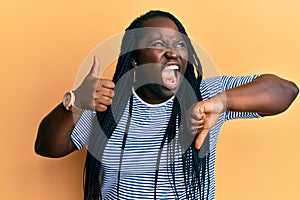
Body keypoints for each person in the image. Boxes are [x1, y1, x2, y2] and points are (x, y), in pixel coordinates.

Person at [35, 10, 298, 200]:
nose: (173, 52)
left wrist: (223, 102)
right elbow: (47, 147)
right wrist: (76, 102)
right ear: (135, 61)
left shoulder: (205, 95)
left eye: (179, 45)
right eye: (159, 44)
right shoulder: (108, 104)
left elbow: (285, 91)